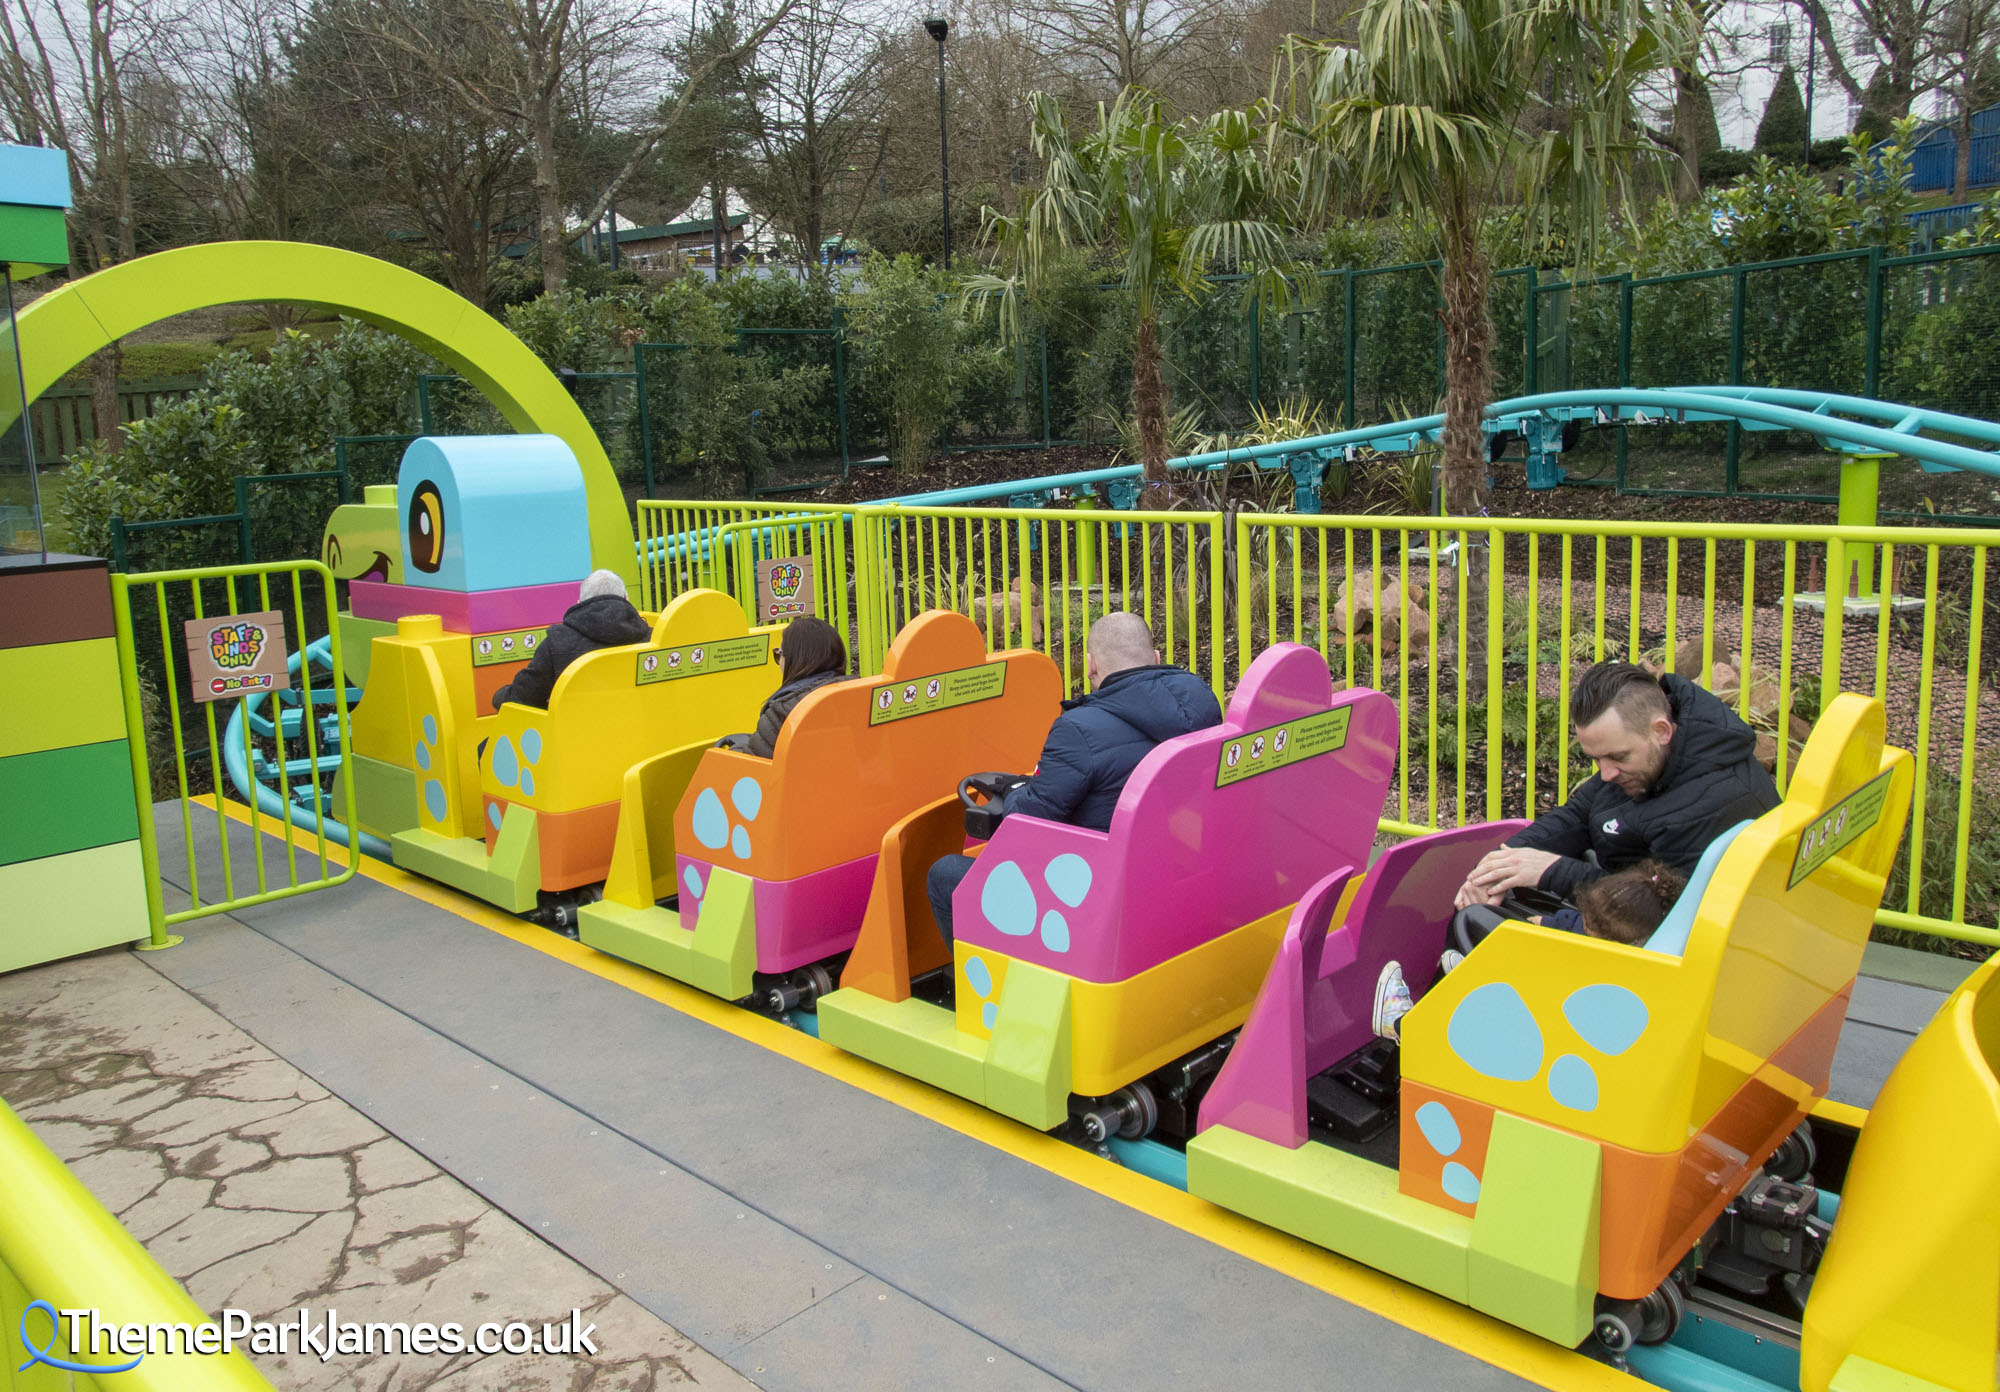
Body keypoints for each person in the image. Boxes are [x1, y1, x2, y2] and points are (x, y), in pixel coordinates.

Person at [925, 611, 1223, 944]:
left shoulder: (1079, 730)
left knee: (946, 874)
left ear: (1092, 665)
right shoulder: (1205, 708)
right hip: (1176, 881)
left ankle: (1003, 988)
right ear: (1154, 658)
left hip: (1093, 899)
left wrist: (1017, 792)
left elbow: (1024, 824)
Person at [1454, 661, 1779, 914]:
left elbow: (1660, 907)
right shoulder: (1652, 762)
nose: (1605, 774)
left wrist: (1553, 870)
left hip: (1680, 943)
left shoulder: (1714, 799)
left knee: (1483, 923)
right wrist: (1494, 868)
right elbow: (1578, 816)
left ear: (1662, 730)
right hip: (1628, 900)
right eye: (1596, 760)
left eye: (1616, 757)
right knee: (1490, 902)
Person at [1369, 858, 1690, 1042]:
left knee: (1478, 954)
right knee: (1484, 928)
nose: (1583, 922)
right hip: (1552, 1004)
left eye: (1590, 923)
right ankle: (1462, 984)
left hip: (1549, 1021)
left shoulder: (1605, 968)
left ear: (1608, 937)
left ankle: (1403, 1027)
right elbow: (1547, 923)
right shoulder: (1588, 930)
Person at [491, 569, 650, 711]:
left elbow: (524, 698)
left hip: (573, 737)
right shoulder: (651, 637)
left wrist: (499, 696)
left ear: (579, 603)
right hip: (639, 732)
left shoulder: (556, 643)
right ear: (627, 599)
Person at [726, 616, 848, 758]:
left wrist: (731, 752)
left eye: (779, 655)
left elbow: (753, 761)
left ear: (797, 660)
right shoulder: (857, 694)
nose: (779, 663)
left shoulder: (783, 711)